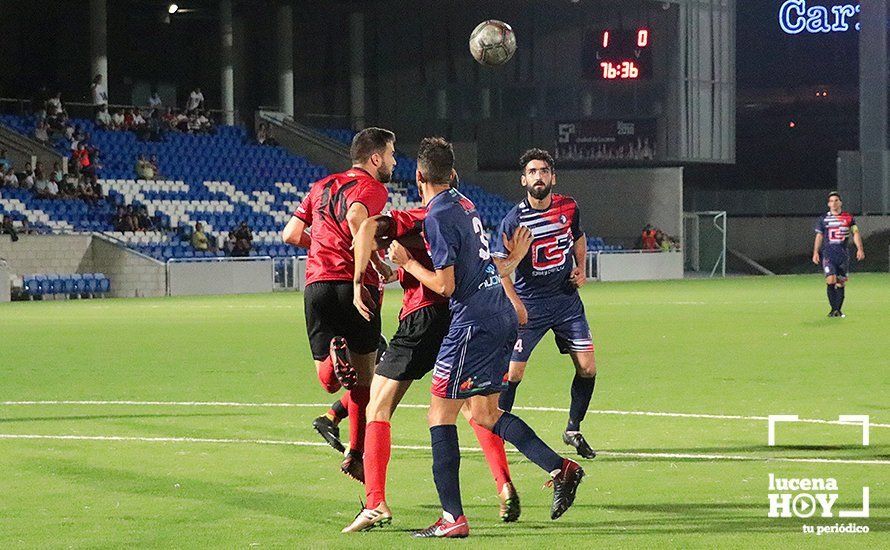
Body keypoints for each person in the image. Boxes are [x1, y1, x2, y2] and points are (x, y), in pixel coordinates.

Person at [384, 138, 584, 538]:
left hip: (472, 323)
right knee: (485, 414)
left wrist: (407, 264)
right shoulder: (464, 203)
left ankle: (451, 518)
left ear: (419, 176)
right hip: (500, 314)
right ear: (453, 174)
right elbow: (481, 261)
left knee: (440, 415)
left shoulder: (438, 214)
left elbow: (444, 285)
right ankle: (562, 468)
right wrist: (511, 262)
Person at [341, 183, 533, 532]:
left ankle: (375, 502)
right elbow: (479, 272)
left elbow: (366, 224)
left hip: (422, 319)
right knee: (476, 409)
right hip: (458, 320)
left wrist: (359, 279)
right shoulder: (461, 216)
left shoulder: (423, 216)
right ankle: (504, 484)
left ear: (422, 181)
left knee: (378, 407)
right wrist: (388, 270)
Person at [281, 127, 395, 482]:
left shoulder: (321, 185)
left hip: (317, 284)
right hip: (353, 287)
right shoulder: (373, 188)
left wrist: (323, 246)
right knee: (364, 382)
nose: (393, 161)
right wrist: (374, 263)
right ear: (375, 158)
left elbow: (291, 234)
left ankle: (334, 355)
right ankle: (355, 454)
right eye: (390, 154)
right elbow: (357, 219)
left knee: (330, 382)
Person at [491, 149, 599, 460]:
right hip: (530, 305)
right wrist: (514, 304)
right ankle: (495, 432)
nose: (539, 176)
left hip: (566, 301)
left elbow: (578, 236)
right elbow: (500, 267)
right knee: (513, 374)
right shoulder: (514, 220)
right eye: (533, 171)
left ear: (552, 176)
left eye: (544, 171)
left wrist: (581, 268)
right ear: (524, 179)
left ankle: (573, 429)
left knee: (588, 368)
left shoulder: (569, 206)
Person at [812, 192, 865, 318]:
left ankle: (838, 310)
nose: (834, 203)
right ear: (828, 204)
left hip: (842, 255)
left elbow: (855, 233)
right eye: (831, 201)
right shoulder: (823, 219)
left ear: (840, 202)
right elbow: (819, 236)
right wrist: (815, 252)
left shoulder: (849, 218)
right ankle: (833, 309)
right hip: (828, 254)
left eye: (836, 200)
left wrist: (860, 249)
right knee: (830, 280)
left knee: (840, 282)